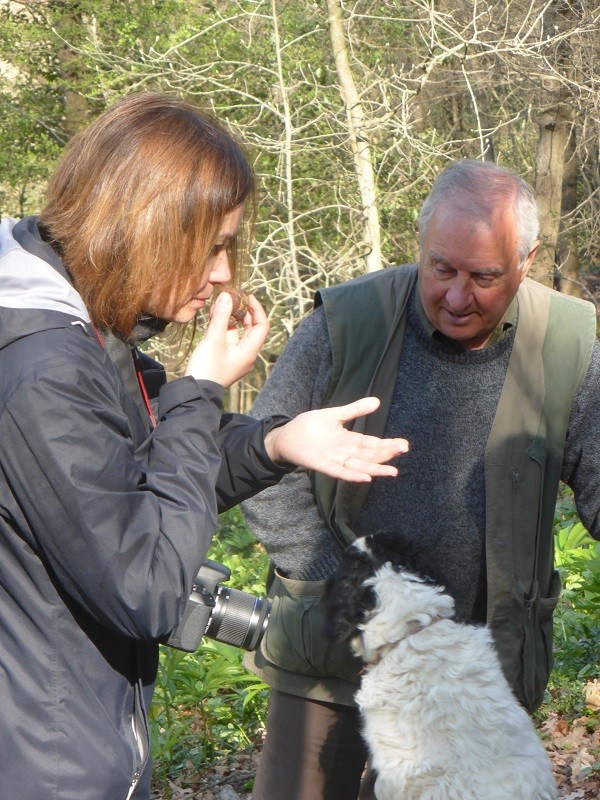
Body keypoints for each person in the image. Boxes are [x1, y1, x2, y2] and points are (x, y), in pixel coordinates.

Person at [0, 92, 410, 800]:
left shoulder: (90, 326)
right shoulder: (45, 370)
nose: (223, 273)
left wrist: (278, 442)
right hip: (47, 769)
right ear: (146, 226)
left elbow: (152, 474)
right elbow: (149, 588)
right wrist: (200, 388)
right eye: (213, 245)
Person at [241, 159, 600, 800]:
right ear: (420, 243)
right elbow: (265, 465)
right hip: (329, 657)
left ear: (529, 259)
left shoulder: (570, 347)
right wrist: (350, 592)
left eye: (484, 277)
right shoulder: (346, 324)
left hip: (472, 678)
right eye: (442, 269)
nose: (457, 297)